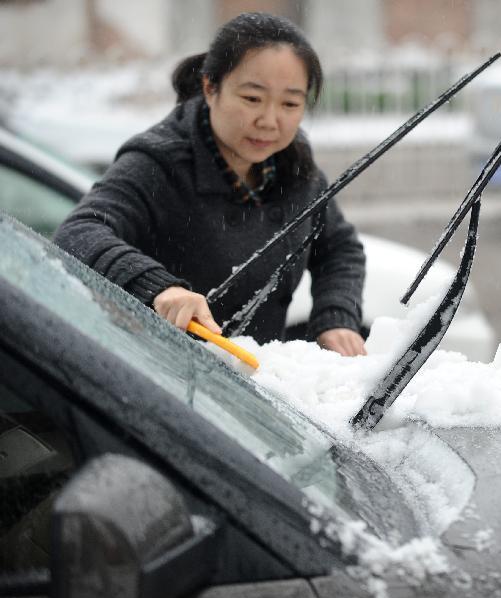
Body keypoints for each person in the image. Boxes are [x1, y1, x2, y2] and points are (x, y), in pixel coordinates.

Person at [54, 12, 367, 356]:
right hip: (167, 378)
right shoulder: (160, 162)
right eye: (252, 98)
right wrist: (161, 288)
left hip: (256, 382)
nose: (269, 120)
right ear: (210, 87)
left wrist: (335, 317)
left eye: (290, 103)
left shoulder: (294, 169)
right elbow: (79, 233)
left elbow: (340, 248)